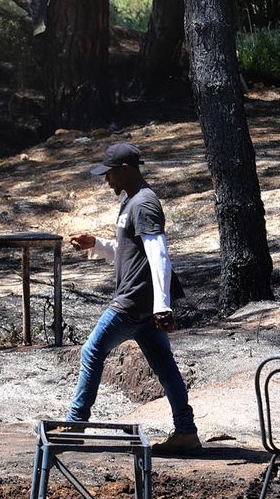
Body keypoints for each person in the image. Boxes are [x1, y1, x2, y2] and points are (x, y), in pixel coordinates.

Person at [66, 142, 200, 453]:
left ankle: (75, 424)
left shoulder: (145, 203)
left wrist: (162, 304)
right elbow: (128, 252)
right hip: (143, 305)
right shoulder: (131, 202)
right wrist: (96, 244)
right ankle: (186, 431)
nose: (106, 180)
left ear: (125, 170)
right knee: (165, 367)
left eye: (110, 173)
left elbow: (159, 253)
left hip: (134, 300)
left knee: (91, 352)